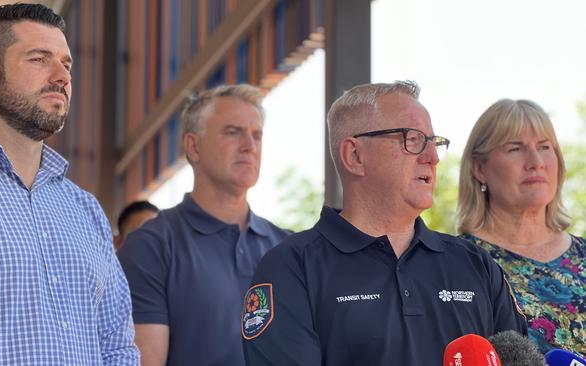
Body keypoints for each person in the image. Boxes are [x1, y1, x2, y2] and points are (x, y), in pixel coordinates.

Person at [241, 81, 527, 365]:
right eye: (412, 139)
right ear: (355, 156)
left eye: (434, 142)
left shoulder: (475, 263)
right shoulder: (292, 267)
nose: (433, 158)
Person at [0, 4, 139, 364]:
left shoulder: (85, 209)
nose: (62, 75)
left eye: (66, 63)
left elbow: (117, 344)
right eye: (39, 59)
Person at [117, 84, 289, 366]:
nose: (250, 146)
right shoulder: (150, 246)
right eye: (233, 132)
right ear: (193, 146)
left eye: (256, 135)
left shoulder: (289, 248)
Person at [457, 99, 586, 355]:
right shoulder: (458, 262)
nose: (536, 161)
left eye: (545, 147)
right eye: (516, 148)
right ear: (479, 168)